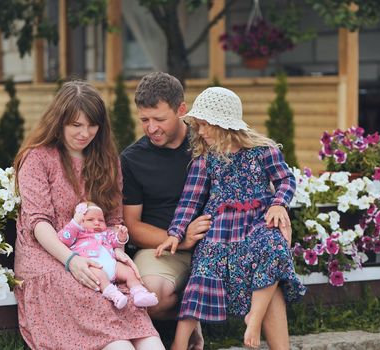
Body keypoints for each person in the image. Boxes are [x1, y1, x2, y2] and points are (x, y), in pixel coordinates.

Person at [13, 80, 164, 350]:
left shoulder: (107, 160)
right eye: (76, 125)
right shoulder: (37, 158)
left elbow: (114, 218)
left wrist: (116, 248)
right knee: (117, 342)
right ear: (59, 122)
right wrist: (71, 260)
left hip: (97, 251)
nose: (85, 133)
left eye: (92, 125)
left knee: (147, 337)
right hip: (50, 256)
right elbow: (38, 224)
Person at [155, 86, 307, 350]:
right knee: (203, 269)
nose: (200, 132)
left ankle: (254, 317)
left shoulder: (263, 151)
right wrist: (175, 232)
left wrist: (280, 205)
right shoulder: (205, 160)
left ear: (223, 124)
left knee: (274, 246)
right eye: (198, 125)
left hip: (257, 222)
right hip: (220, 230)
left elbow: (285, 179)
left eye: (205, 125)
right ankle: (179, 345)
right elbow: (189, 201)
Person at [120, 72, 211, 349]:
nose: (151, 128)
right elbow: (133, 226)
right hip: (162, 249)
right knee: (148, 296)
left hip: (215, 244)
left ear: (181, 110)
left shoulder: (206, 143)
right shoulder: (133, 159)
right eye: (144, 120)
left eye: (159, 119)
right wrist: (181, 240)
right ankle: (192, 318)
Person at [58, 201, 159, 309]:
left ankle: (139, 292)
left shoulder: (106, 233)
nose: (97, 223)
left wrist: (121, 236)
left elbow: (116, 242)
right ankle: (114, 294)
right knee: (99, 276)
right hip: (92, 265)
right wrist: (75, 224)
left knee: (129, 271)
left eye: (101, 220)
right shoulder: (78, 234)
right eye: (90, 220)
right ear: (80, 222)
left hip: (112, 265)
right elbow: (63, 239)